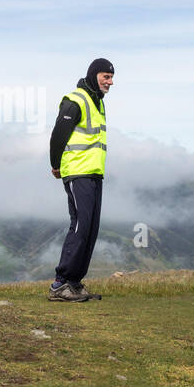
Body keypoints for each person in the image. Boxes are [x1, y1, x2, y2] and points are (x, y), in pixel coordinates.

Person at [48, 58, 113, 302]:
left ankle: (74, 283)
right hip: (77, 172)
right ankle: (59, 283)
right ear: (94, 74)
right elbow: (58, 135)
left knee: (91, 228)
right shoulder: (75, 100)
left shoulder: (97, 103)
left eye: (111, 77)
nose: (110, 81)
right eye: (106, 76)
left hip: (94, 172)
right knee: (80, 225)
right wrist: (56, 164)